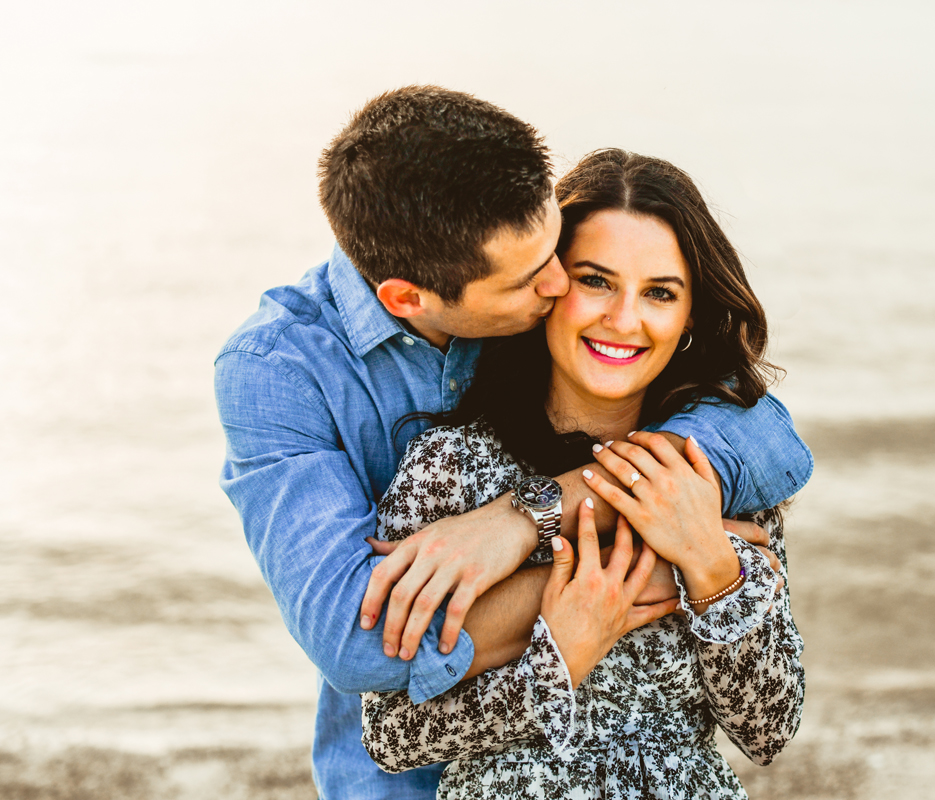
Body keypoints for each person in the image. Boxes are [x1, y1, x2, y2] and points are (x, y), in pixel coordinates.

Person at [215, 87, 810, 800]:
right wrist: (628, 580)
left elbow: (771, 436)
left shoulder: (694, 465)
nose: (561, 286)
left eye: (660, 293)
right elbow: (359, 651)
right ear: (408, 300)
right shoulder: (299, 379)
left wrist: (696, 563)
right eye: (571, 279)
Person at [361, 149, 808, 799]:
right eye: (596, 280)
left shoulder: (711, 474)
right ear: (548, 286)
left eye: (659, 293)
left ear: (688, 316)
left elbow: (769, 729)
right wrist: (560, 652)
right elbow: (393, 735)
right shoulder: (450, 463)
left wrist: (713, 569)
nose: (624, 319)